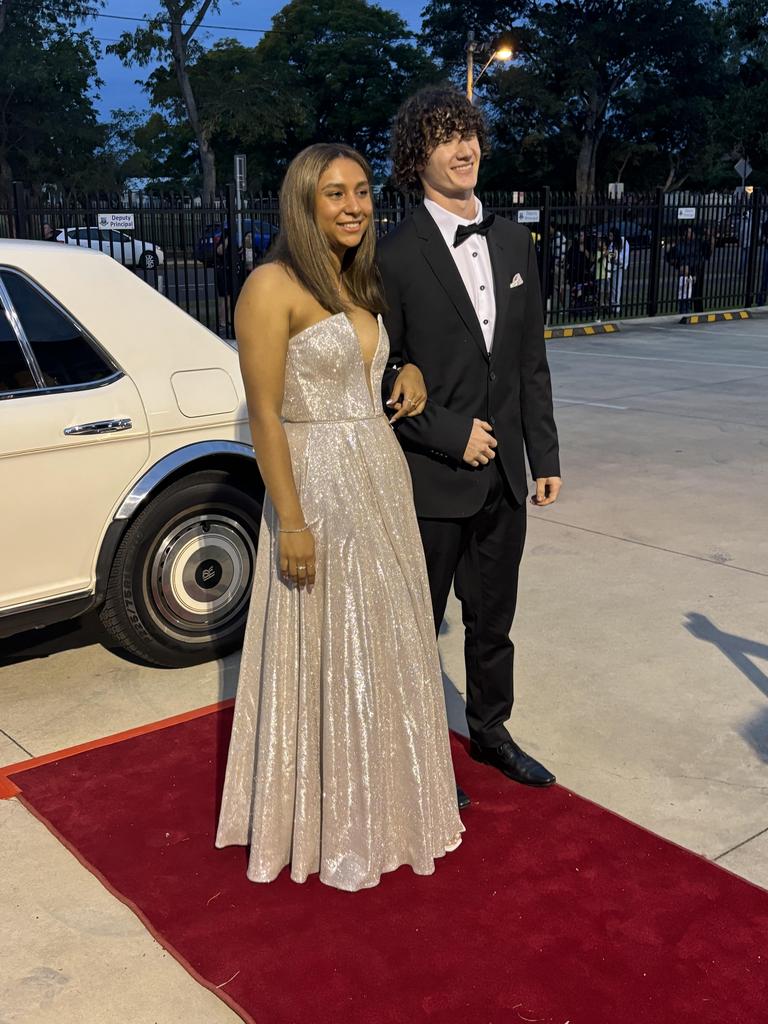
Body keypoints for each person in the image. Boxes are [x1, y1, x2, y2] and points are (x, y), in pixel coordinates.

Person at [215, 143, 464, 892]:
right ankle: (328, 817)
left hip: (380, 479)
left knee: (385, 641)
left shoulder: (359, 280)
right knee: (328, 646)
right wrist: (290, 521)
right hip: (316, 486)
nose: (354, 206)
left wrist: (407, 371)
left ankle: (390, 802)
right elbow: (264, 414)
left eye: (360, 191)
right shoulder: (270, 285)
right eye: (334, 194)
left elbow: (369, 365)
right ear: (303, 201)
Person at [378, 85, 561, 800]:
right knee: (418, 631)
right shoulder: (393, 255)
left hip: (506, 481)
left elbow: (528, 361)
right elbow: (381, 370)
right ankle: (419, 757)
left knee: (494, 624)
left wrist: (542, 458)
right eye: (444, 138)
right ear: (415, 157)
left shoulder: (515, 240)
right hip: (430, 479)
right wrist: (451, 434)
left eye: (469, 134)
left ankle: (491, 734)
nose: (464, 149)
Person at [607, 227, 629, 316]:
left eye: (611, 235)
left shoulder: (623, 242)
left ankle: (616, 307)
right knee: (609, 287)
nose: (609, 237)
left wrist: (616, 258)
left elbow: (625, 256)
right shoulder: (611, 243)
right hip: (610, 267)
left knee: (616, 287)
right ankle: (611, 305)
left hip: (618, 266)